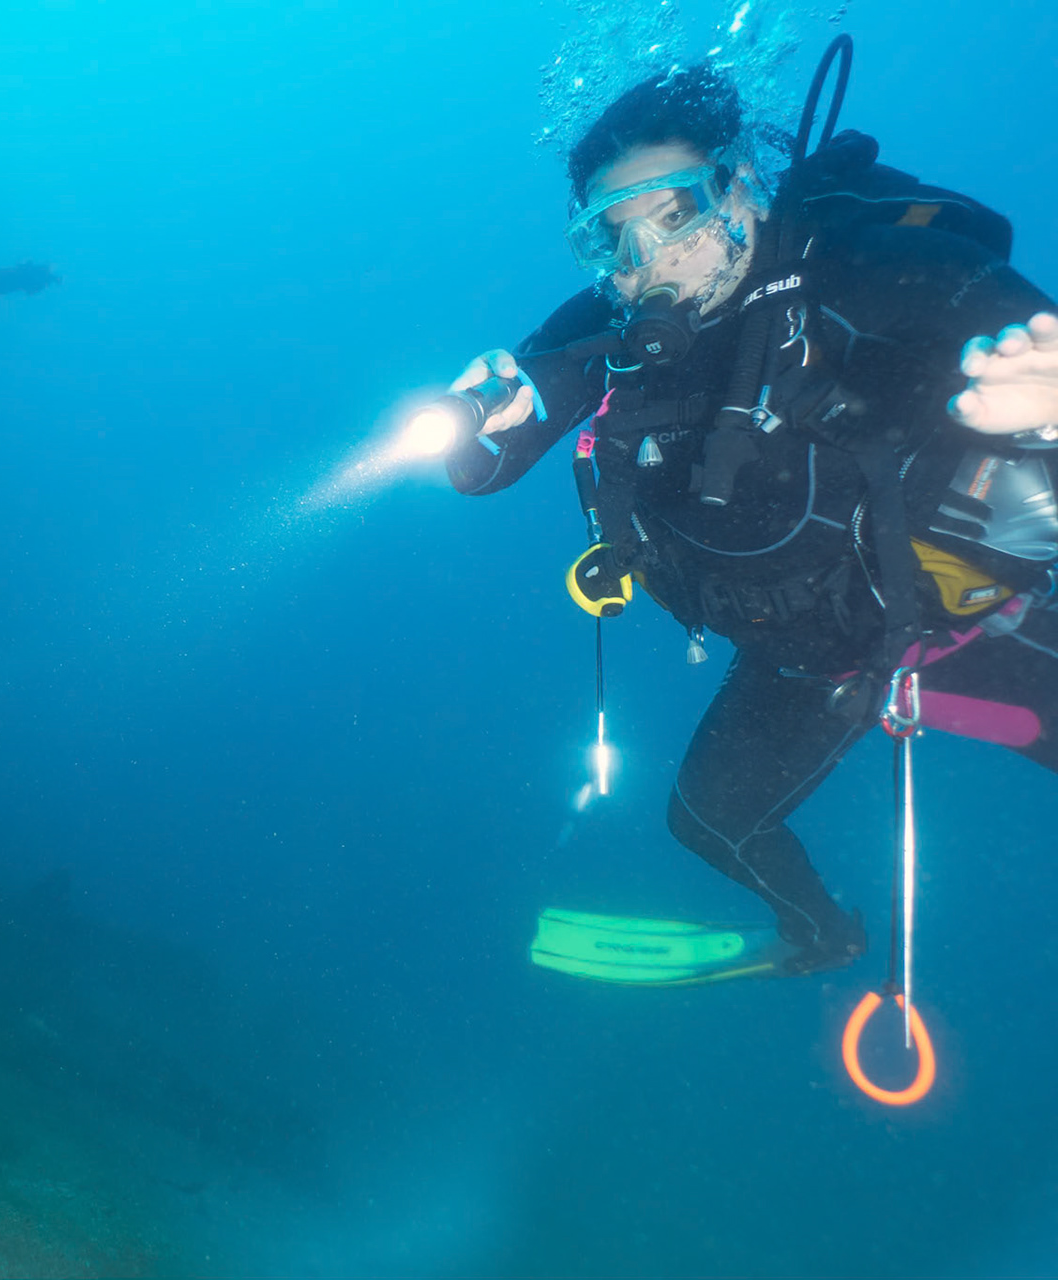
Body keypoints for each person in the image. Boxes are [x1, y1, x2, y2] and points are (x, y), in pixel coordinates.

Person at [445, 59, 1058, 976]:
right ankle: (821, 934)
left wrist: (1043, 398)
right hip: (804, 655)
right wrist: (471, 429)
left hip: (961, 620)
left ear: (741, 188)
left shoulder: (869, 269)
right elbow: (494, 456)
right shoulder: (607, 326)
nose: (648, 261)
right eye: (610, 237)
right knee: (706, 821)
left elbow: (994, 317)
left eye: (676, 213)